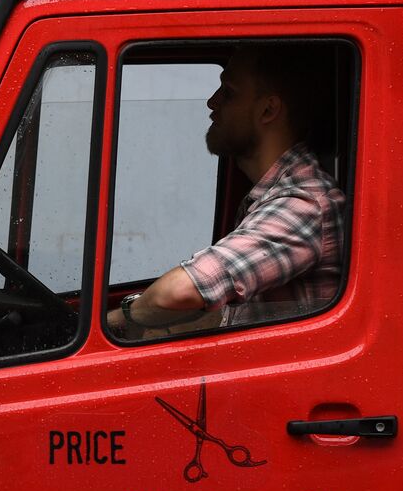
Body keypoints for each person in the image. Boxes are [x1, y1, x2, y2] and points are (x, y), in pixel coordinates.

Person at [108, 45, 346, 338]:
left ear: (268, 110)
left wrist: (118, 320)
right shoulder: (270, 195)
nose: (212, 102)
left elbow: (179, 292)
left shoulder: (304, 205)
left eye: (229, 92)